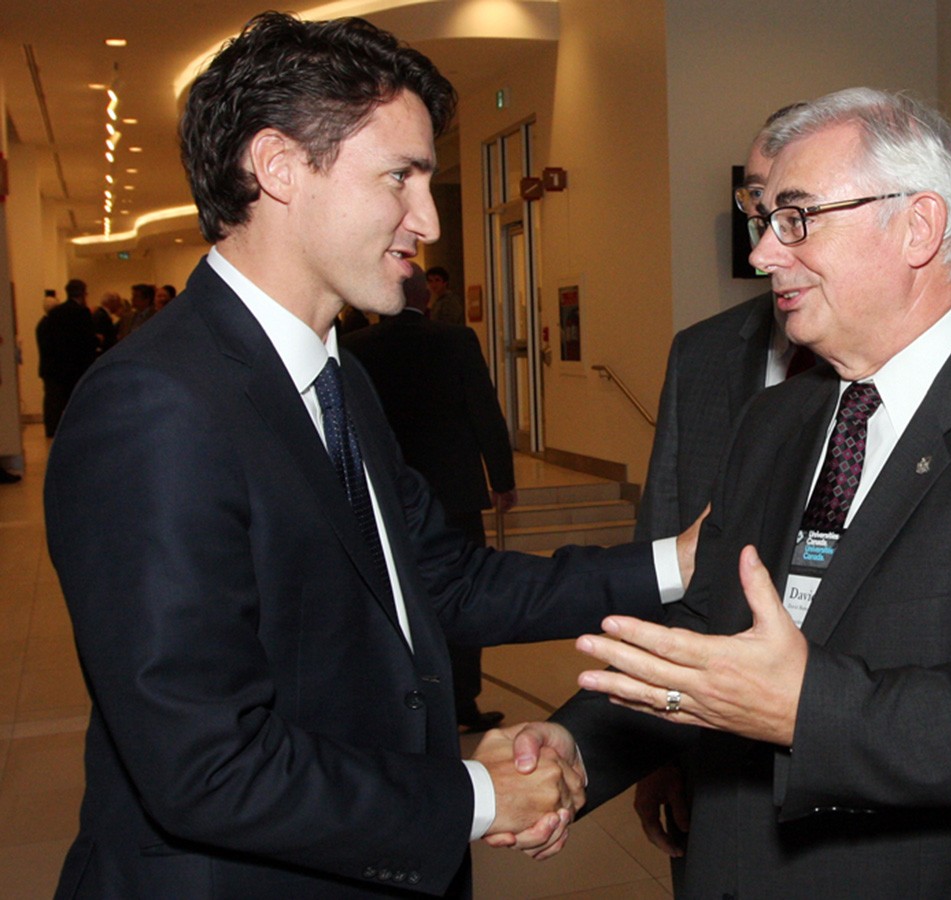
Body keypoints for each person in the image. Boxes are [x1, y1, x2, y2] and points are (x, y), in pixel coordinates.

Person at [44, 14, 698, 898]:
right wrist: (478, 793)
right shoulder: (154, 405)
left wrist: (672, 563)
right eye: (401, 177)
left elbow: (443, 582)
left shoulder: (336, 379)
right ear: (277, 168)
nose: (426, 218)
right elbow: (205, 766)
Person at [521, 87, 951, 897]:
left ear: (918, 227)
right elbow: (710, 624)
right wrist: (579, 744)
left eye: (796, 217)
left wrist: (807, 710)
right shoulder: (774, 419)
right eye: (764, 221)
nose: (763, 254)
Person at [632, 103, 820, 873]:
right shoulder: (705, 354)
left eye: (793, 209)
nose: (766, 237)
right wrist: (657, 740)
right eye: (755, 205)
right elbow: (665, 541)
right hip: (714, 761)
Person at [343, 264, 517, 734]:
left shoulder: (355, 348)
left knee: (394, 598)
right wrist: (501, 477)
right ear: (427, 295)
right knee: (465, 593)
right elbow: (484, 411)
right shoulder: (456, 341)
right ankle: (463, 702)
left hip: (384, 492)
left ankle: (403, 703)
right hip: (453, 490)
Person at [35, 279, 97, 437]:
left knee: (55, 402)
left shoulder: (55, 314)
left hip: (59, 366)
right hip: (77, 366)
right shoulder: (82, 313)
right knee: (77, 401)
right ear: (83, 293)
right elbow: (87, 341)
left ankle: (53, 431)